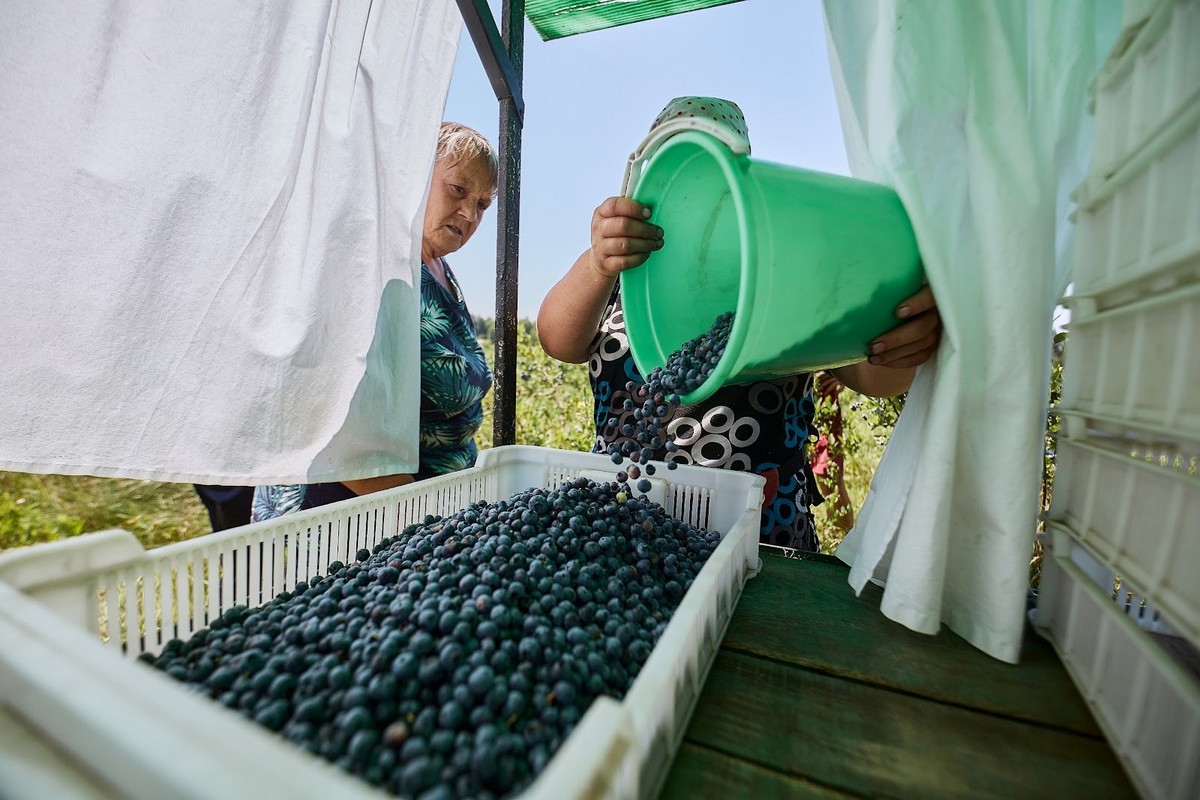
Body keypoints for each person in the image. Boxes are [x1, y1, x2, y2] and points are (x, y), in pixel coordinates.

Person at [536, 97, 941, 552]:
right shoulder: (618, 273)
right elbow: (557, 338)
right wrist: (596, 264)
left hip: (760, 531)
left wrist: (900, 334)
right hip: (627, 519)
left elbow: (873, 376)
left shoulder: (786, 284)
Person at [252, 122, 497, 521]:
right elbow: (328, 420)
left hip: (424, 511)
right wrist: (426, 522)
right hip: (346, 518)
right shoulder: (369, 262)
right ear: (415, 173)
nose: (470, 213)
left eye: (483, 204)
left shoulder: (439, 271)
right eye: (458, 189)